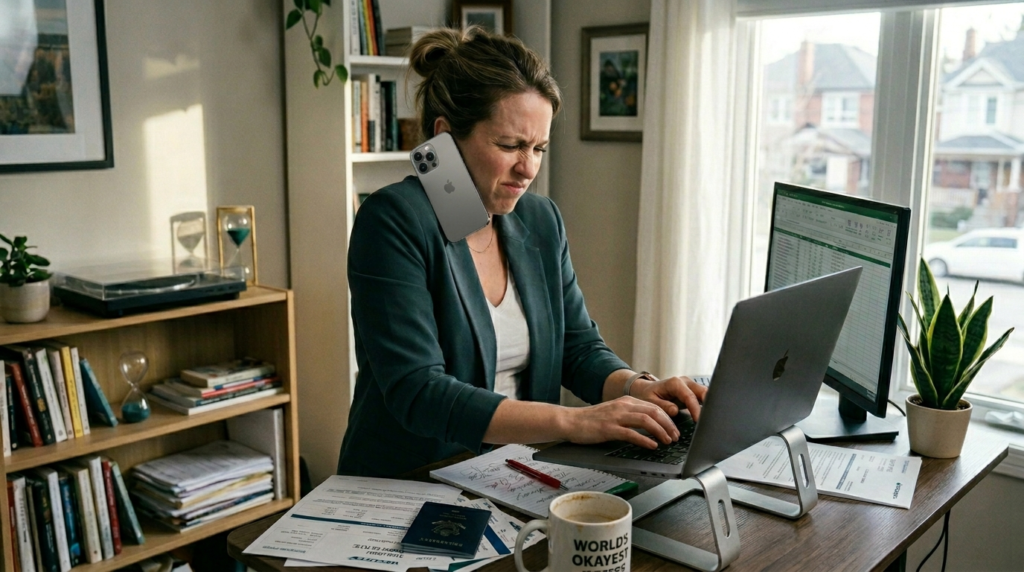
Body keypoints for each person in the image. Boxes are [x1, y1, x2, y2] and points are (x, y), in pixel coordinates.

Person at [337, 27, 707, 477]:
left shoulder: (539, 220)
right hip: (412, 482)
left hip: (515, 474)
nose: (528, 167)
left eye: (538, 148)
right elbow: (419, 391)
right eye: (510, 145)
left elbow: (577, 347)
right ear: (445, 137)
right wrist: (575, 422)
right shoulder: (392, 220)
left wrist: (635, 387)